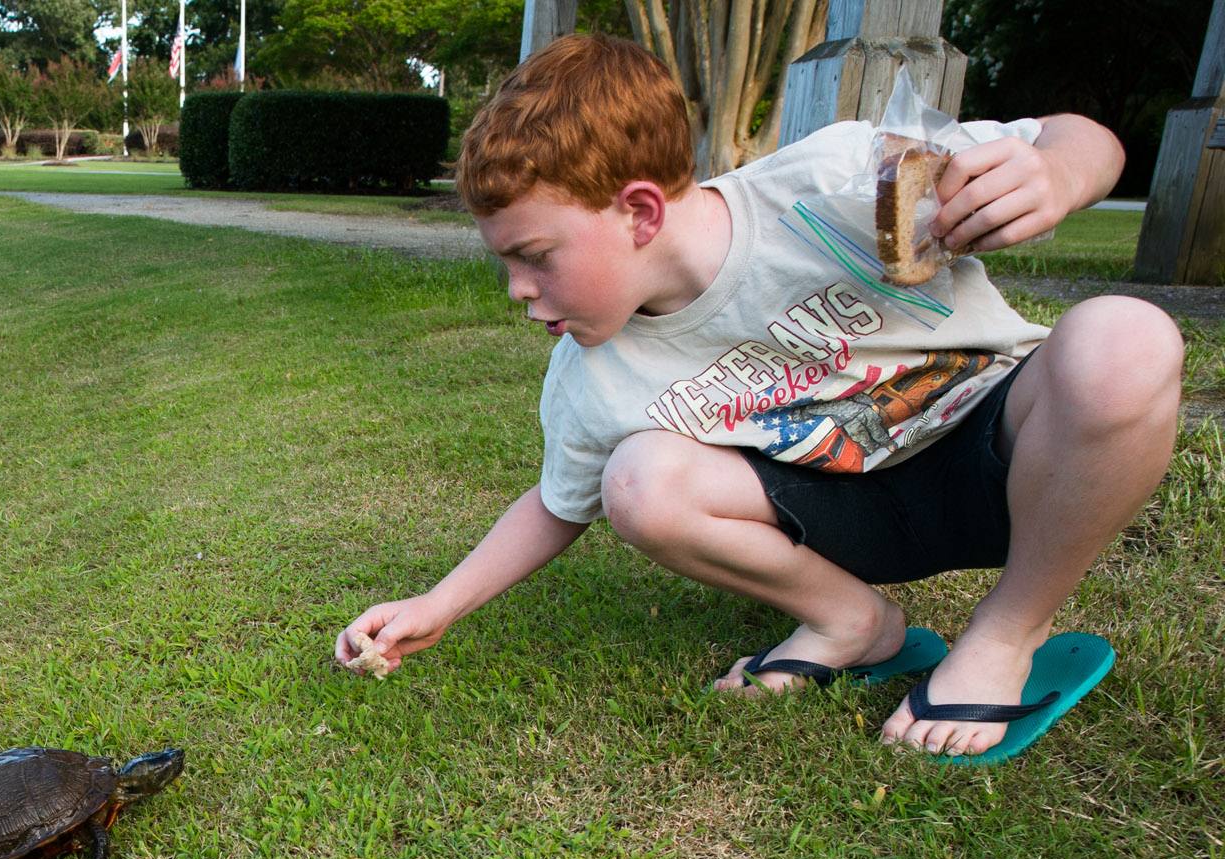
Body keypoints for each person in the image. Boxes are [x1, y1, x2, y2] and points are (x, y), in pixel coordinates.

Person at [334, 34, 1180, 762]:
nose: (518, 290)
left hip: (1001, 469)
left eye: (535, 255)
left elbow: (1086, 139)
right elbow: (562, 503)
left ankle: (1007, 636)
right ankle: (854, 624)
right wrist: (435, 602)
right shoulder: (595, 373)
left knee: (1126, 339)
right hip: (847, 522)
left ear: (636, 212)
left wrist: (1058, 175)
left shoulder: (845, 171)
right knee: (639, 480)